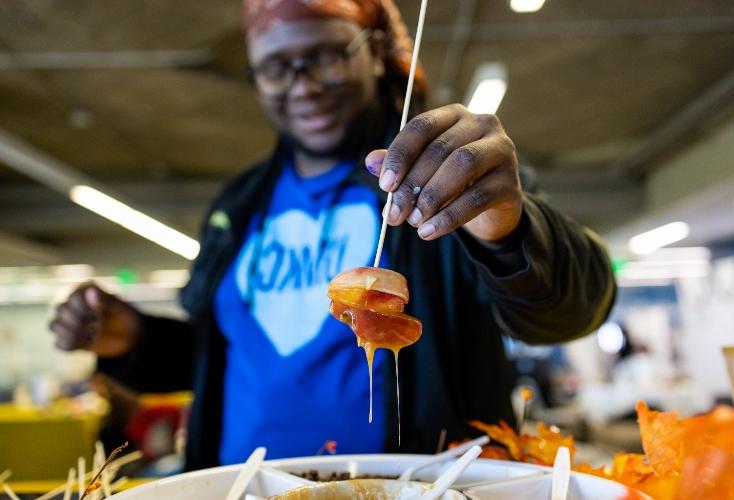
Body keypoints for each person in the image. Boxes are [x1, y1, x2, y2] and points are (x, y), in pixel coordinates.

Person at [50, 0, 615, 469]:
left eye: (325, 56)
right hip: (246, 485)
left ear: (373, 50)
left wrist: (508, 232)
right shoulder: (237, 205)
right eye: (275, 67)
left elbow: (571, 312)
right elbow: (222, 359)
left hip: (416, 483)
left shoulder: (446, 174)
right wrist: (136, 342)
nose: (303, 85)